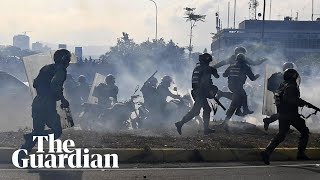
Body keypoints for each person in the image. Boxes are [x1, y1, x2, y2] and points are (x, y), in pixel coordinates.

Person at [19, 49, 71, 162]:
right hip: (47, 104)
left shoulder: (46, 68)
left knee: (38, 131)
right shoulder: (60, 70)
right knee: (57, 131)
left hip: (37, 102)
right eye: (68, 59)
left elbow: (35, 83)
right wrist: (62, 99)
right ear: (63, 59)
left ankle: (21, 154)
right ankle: (33, 136)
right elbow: (55, 85)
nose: (68, 62)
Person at [261, 68, 316, 165]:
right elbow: (291, 100)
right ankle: (300, 153)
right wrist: (304, 103)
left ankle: (267, 152)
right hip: (291, 114)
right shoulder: (291, 87)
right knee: (304, 131)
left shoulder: (282, 85)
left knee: (281, 135)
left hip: (283, 114)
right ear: (293, 77)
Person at [175, 53, 219, 135]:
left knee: (206, 109)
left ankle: (206, 129)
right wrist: (210, 90)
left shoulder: (197, 68)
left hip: (196, 92)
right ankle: (180, 123)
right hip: (201, 93)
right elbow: (216, 77)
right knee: (195, 111)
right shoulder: (207, 69)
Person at [222, 53, 260, 127]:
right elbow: (252, 78)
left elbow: (224, 75)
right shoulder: (245, 67)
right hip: (238, 86)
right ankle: (244, 110)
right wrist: (257, 76)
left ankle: (231, 116)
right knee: (243, 96)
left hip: (231, 86)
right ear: (244, 60)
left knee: (236, 102)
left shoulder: (231, 66)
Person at [263, 62, 295, 130]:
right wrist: (276, 91)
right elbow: (269, 86)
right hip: (280, 97)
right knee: (282, 113)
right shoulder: (278, 76)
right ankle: (270, 122)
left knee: (286, 112)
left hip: (287, 97)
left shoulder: (290, 77)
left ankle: (285, 128)